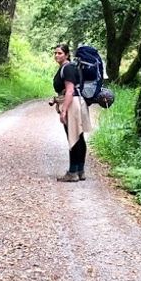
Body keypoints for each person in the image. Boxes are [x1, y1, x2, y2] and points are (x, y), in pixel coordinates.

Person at [50, 44, 93, 182]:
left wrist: (64, 110)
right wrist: (56, 100)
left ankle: (72, 172)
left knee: (73, 137)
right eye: (55, 53)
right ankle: (80, 171)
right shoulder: (71, 67)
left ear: (67, 55)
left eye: (60, 53)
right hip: (78, 101)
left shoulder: (67, 68)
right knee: (79, 137)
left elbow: (69, 90)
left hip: (72, 103)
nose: (57, 55)